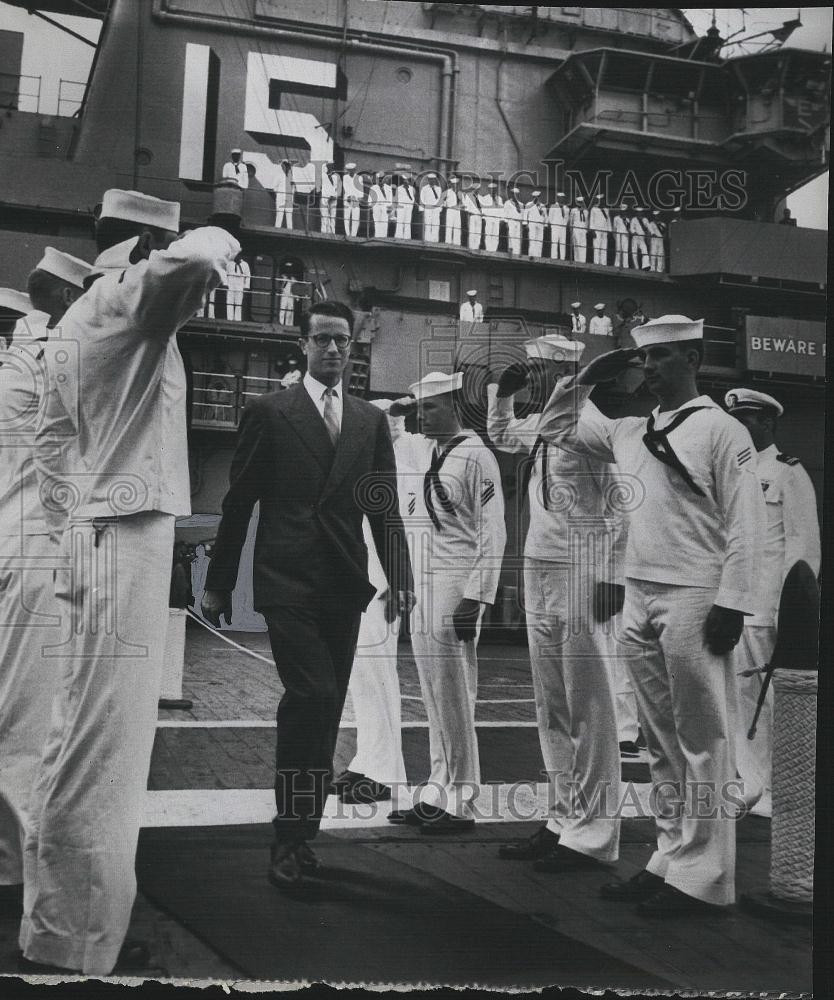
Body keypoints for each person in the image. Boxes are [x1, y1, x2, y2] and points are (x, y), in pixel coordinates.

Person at [19, 190, 239, 976]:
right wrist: (214, 231)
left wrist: (68, 523)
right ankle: (78, 939)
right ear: (144, 238)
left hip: (96, 527)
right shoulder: (121, 299)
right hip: (125, 529)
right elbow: (202, 257)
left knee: (80, 733)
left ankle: (61, 922)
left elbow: (49, 444)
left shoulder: (76, 323)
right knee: (104, 749)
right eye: (160, 237)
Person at [538, 315, 765, 916]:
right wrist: (588, 376)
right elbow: (556, 429)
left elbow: (748, 522)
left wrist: (733, 600)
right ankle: (670, 858)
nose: (651, 370)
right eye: (645, 360)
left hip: (696, 594)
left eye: (663, 358)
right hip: (639, 591)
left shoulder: (722, 429)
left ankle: (706, 876)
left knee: (703, 739)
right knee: (661, 740)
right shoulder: (631, 431)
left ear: (692, 358)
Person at [201, 300, 413, 890]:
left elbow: (384, 510)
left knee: (323, 711)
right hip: (287, 580)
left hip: (344, 585)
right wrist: (218, 583)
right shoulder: (269, 412)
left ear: (353, 347)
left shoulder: (370, 421)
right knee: (312, 695)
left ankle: (301, 833)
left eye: (342, 341)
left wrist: (403, 579)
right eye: (322, 339)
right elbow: (239, 501)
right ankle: (288, 837)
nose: (333, 350)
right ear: (303, 346)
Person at [487, 335, 625, 871]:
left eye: (543, 370)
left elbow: (623, 502)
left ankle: (593, 834)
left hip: (582, 573)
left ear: (569, 374)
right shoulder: (546, 425)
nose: (535, 377)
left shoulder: (589, 427)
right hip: (541, 571)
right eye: (533, 370)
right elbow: (503, 434)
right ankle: (563, 817)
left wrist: (611, 575)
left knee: (590, 707)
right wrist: (503, 395)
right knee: (553, 706)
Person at [0, 249, 91, 920]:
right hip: (37, 559)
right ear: (62, 299)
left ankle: (10, 867)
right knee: (32, 730)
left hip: (13, 552)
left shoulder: (12, 367)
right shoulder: (53, 363)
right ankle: (32, 886)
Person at [386, 372, 506, 832]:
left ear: (455, 405)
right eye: (420, 408)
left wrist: (477, 596)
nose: (421, 417)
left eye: (431, 408)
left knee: (455, 697)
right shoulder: (431, 449)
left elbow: (494, 532)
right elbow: (390, 427)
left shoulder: (477, 456)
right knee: (434, 698)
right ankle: (436, 790)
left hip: (457, 583)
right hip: (425, 583)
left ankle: (463, 800)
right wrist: (401, 408)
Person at [724, 388, 820, 818]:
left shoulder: (788, 474)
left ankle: (769, 790)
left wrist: (792, 613)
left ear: (769, 424)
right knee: (736, 701)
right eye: (736, 419)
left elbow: (802, 549)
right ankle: (748, 784)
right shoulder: (730, 471)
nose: (741, 427)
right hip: (730, 604)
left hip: (765, 608)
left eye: (749, 419)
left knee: (766, 701)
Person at [337, 399, 412, 806]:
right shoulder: (366, 459)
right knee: (361, 677)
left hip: (382, 583)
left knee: (378, 675)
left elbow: (402, 523)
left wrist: (396, 577)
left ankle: (386, 774)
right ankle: (367, 761)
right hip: (359, 577)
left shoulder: (408, 453)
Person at [226, 253, 250, 321]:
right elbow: (226, 274)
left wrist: (246, 286)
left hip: (240, 284)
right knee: (229, 301)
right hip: (231, 283)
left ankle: (237, 318)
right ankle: (229, 318)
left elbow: (248, 276)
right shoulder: (229, 264)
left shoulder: (245, 264)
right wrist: (226, 284)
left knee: (238, 302)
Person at [369, 171, 393, 238]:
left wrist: (389, 206)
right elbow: (370, 198)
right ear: (376, 179)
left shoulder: (388, 188)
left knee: (384, 222)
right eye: (378, 179)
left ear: (383, 179)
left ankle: (384, 237)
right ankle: (377, 237)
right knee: (377, 222)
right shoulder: (373, 188)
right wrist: (371, 206)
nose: (380, 180)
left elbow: (390, 198)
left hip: (385, 206)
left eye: (381, 179)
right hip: (376, 206)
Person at [343, 163, 364, 237]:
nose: (351, 172)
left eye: (352, 170)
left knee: (356, 218)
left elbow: (360, 189)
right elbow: (346, 187)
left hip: (356, 200)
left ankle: (354, 235)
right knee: (346, 218)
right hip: (348, 200)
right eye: (349, 170)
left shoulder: (359, 178)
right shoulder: (345, 177)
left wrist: (360, 197)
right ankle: (347, 234)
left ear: (355, 170)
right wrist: (349, 196)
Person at [420, 173, 443, 242]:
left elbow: (440, 199)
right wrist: (422, 210)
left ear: (435, 180)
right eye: (430, 180)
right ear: (428, 180)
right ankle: (427, 239)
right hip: (428, 209)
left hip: (436, 209)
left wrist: (440, 209)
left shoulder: (439, 189)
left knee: (436, 224)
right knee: (428, 224)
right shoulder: (424, 189)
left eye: (433, 180)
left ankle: (435, 240)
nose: (432, 181)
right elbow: (422, 200)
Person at [523, 190, 547, 258]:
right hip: (532, 224)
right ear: (533, 197)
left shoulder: (542, 206)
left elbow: (545, 216)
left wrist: (545, 225)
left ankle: (538, 256)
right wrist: (525, 223)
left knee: (539, 241)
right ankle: (531, 255)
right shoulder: (529, 204)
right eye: (535, 197)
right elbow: (525, 214)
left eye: (538, 197)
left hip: (540, 224)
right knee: (532, 239)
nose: (537, 198)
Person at [481, 181, 503, 252]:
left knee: (495, 235)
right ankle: (488, 249)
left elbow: (501, 210)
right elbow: (483, 209)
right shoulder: (486, 198)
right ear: (489, 189)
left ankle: (494, 250)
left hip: (496, 219)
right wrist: (484, 218)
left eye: (494, 189)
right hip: (489, 219)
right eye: (491, 189)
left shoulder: (499, 199)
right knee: (488, 234)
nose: (492, 190)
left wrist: (501, 219)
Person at [320, 162, 341, 235]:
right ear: (327, 167)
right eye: (329, 166)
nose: (330, 167)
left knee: (332, 217)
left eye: (331, 166)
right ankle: (323, 232)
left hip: (333, 199)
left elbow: (339, 189)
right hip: (325, 198)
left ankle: (332, 233)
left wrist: (335, 196)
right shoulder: (323, 175)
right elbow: (320, 187)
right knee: (324, 216)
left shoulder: (336, 176)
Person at [589, 194, 610, 266]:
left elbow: (608, 220)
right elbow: (591, 220)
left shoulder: (606, 209)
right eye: (601, 200)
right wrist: (592, 230)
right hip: (597, 230)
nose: (603, 201)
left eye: (603, 200)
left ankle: (603, 263)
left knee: (604, 247)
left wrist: (609, 230)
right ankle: (596, 263)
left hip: (604, 230)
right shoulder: (594, 209)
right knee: (597, 247)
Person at [548, 192, 569, 261]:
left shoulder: (566, 208)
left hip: (563, 227)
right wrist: (553, 225)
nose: (562, 199)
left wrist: (564, 224)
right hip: (555, 227)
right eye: (560, 198)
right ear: (557, 198)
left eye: (563, 198)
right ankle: (554, 258)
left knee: (563, 243)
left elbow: (567, 218)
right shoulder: (553, 206)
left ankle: (562, 258)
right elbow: (550, 217)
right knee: (554, 243)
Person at [274, 158, 294, 229]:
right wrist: (279, 194)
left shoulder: (290, 176)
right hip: (281, 197)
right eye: (285, 165)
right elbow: (275, 187)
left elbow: (293, 188)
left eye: (287, 165)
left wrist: (291, 195)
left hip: (289, 198)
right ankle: (277, 229)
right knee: (279, 214)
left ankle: (290, 230)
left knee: (289, 215)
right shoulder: (279, 175)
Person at [394, 172, 416, 240]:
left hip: (409, 207)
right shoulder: (399, 188)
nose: (405, 181)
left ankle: (407, 236)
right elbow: (396, 198)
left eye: (407, 179)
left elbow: (413, 198)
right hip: (401, 206)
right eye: (404, 179)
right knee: (400, 221)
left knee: (407, 221)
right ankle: (398, 236)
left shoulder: (412, 189)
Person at [504, 187, 524, 255]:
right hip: (511, 221)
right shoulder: (507, 203)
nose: (515, 195)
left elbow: (522, 214)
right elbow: (505, 213)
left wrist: (522, 223)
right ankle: (510, 252)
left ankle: (517, 252)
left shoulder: (521, 204)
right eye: (514, 194)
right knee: (511, 237)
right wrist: (506, 222)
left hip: (518, 222)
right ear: (512, 194)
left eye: (517, 194)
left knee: (518, 238)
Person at [463, 184, 483, 251]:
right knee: (472, 232)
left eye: (478, 189)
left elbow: (482, 208)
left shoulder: (480, 197)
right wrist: (468, 218)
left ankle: (476, 247)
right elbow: (467, 209)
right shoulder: (469, 196)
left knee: (478, 232)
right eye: (476, 189)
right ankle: (471, 248)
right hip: (472, 215)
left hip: (479, 216)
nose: (477, 190)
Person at [443, 176, 462, 245]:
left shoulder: (460, 193)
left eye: (456, 184)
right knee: (449, 226)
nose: (455, 185)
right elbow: (443, 202)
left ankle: (456, 243)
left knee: (457, 227)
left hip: (457, 211)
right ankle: (448, 242)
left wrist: (459, 205)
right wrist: (448, 206)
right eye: (454, 184)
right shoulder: (447, 192)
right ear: (451, 184)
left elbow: (463, 203)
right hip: (450, 211)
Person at [569, 196, 588, 263]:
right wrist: (571, 232)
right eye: (579, 202)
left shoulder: (585, 211)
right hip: (576, 229)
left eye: (582, 202)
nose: (581, 204)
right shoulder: (573, 210)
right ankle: (577, 260)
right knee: (577, 245)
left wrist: (586, 230)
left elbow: (587, 222)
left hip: (583, 229)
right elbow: (571, 221)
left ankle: (583, 261)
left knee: (583, 245)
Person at [613, 205, 630, 269]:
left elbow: (628, 229)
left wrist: (625, 220)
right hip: (618, 235)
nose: (623, 212)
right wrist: (615, 237)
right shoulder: (616, 218)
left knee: (625, 251)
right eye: (622, 211)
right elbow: (614, 228)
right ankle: (617, 265)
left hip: (625, 236)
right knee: (618, 250)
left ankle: (626, 266)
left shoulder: (627, 219)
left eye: (624, 211)